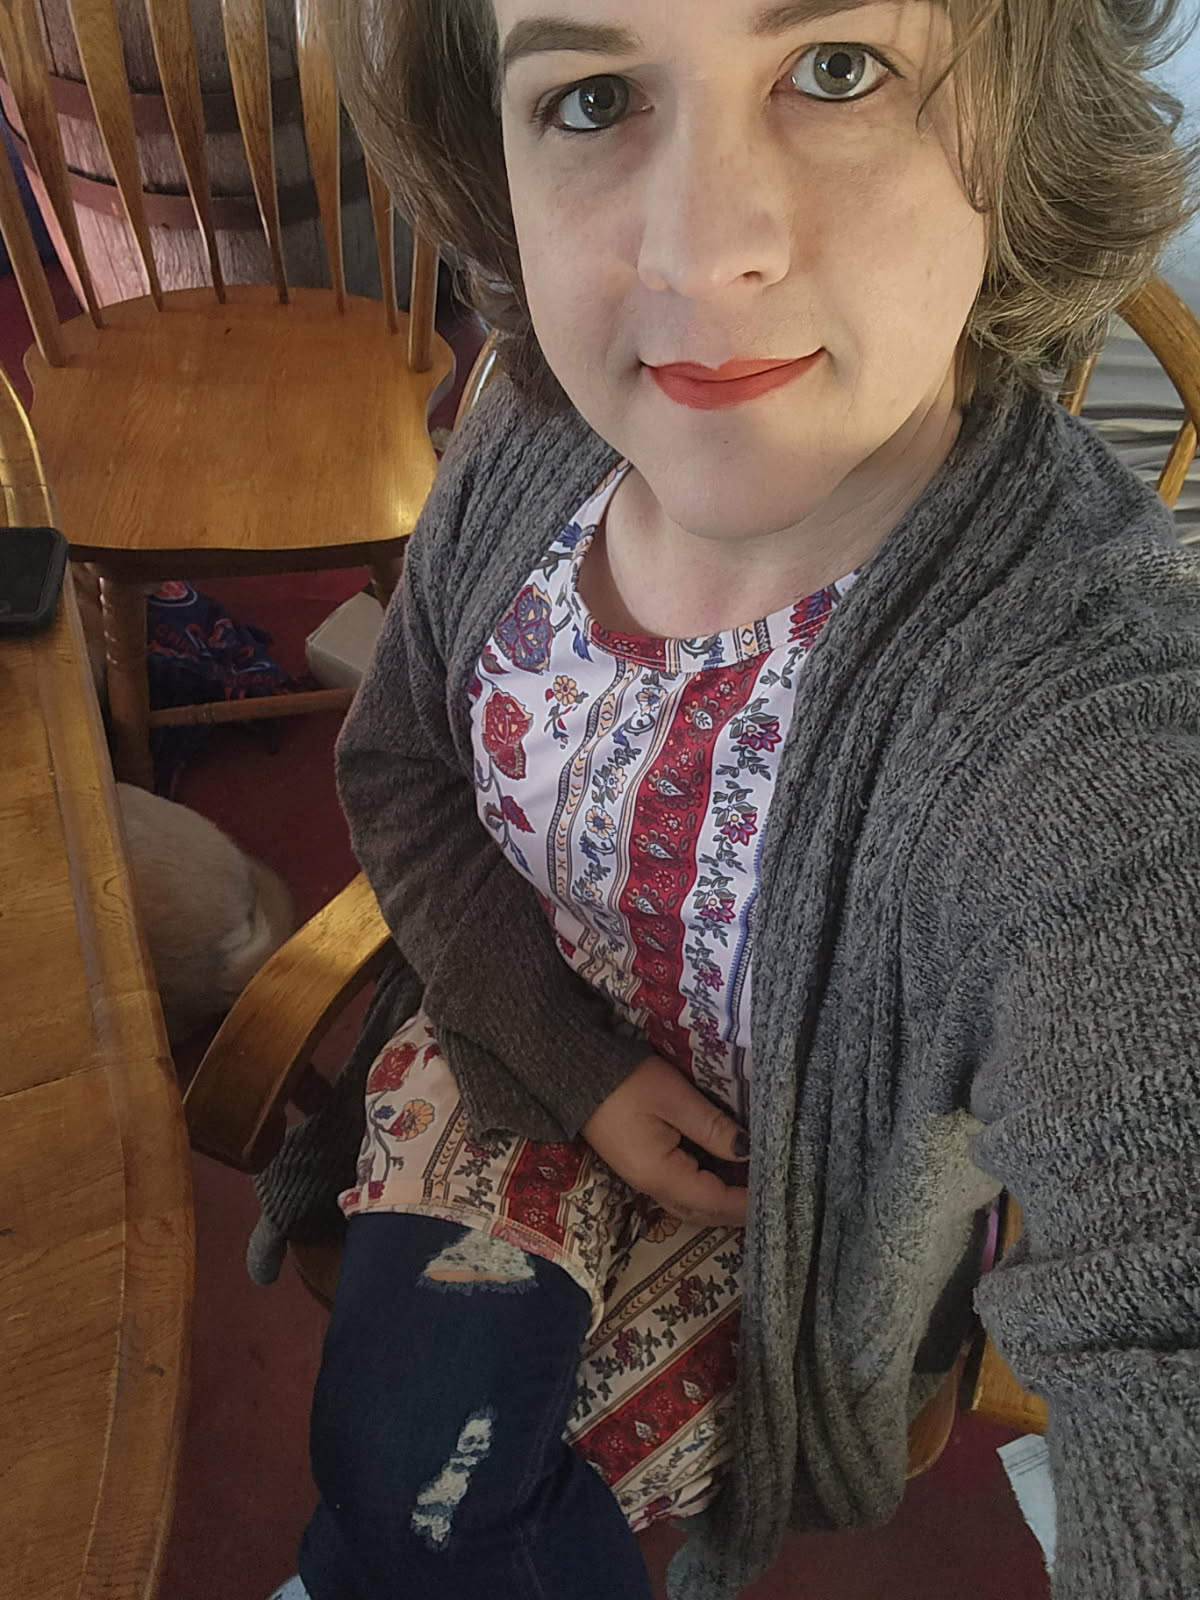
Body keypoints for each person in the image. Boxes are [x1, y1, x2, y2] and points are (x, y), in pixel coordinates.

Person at [251, 2, 1200, 1597]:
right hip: (516, 1047)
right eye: (592, 97)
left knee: (417, 1514)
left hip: (797, 1218)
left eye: (838, 71)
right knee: (401, 1468)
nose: (699, 260)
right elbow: (405, 770)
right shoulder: (529, 441)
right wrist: (574, 1065)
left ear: (1025, 110)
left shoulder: (1078, 720)